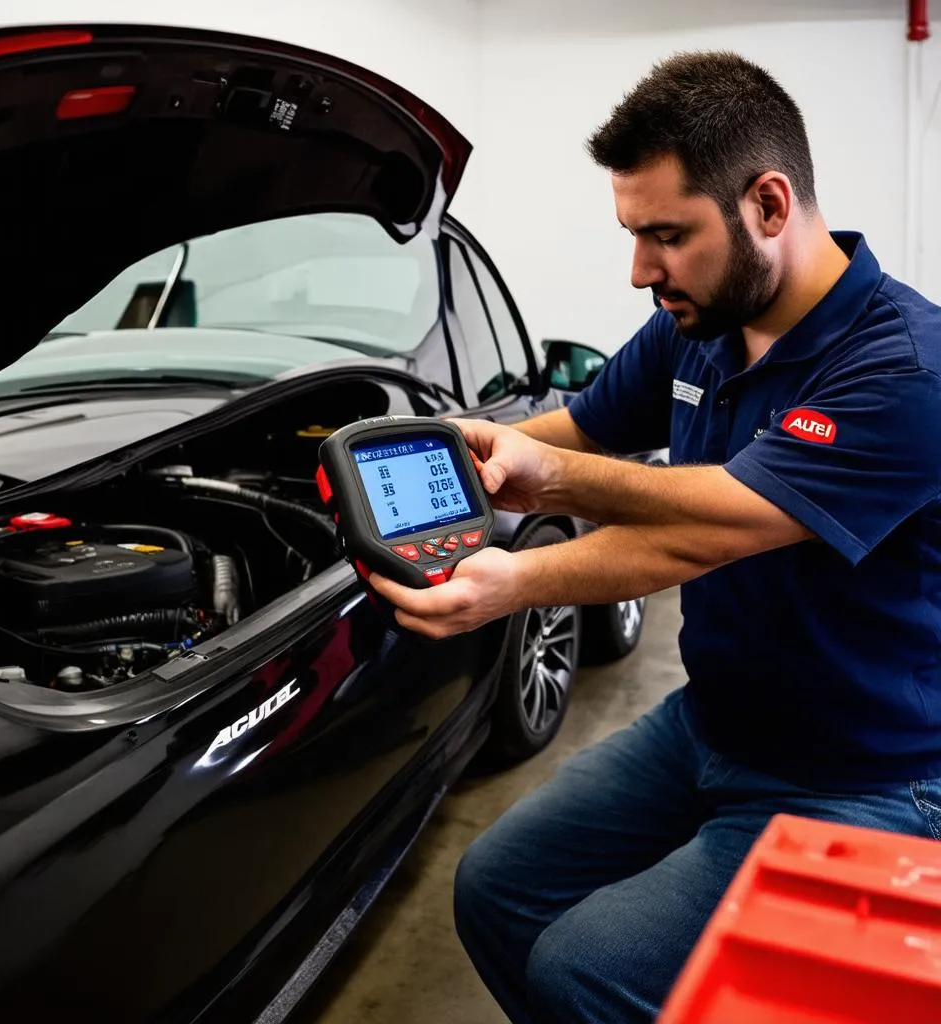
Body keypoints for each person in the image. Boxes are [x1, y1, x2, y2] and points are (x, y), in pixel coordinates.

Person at [369, 51, 941, 1023]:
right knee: (495, 890)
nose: (640, 271)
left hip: (863, 772)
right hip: (712, 721)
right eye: (634, 235)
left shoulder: (902, 370)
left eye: (666, 236)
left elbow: (700, 534)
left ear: (767, 204)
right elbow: (582, 429)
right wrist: (450, 457)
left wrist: (513, 571)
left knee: (585, 970)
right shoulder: (697, 321)